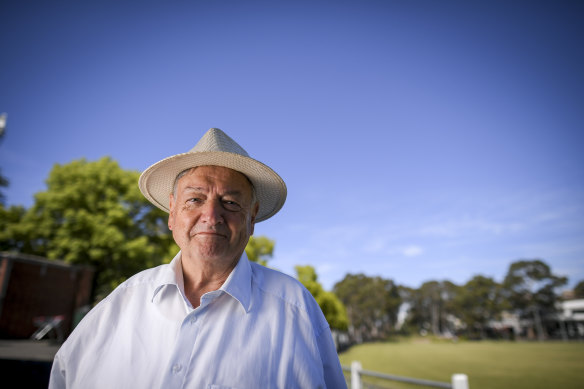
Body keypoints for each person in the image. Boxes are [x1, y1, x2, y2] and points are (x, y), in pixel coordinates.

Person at [49, 128, 347, 389]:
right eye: (195, 199)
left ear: (252, 218)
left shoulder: (295, 309)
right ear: (172, 213)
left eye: (230, 202)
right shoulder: (123, 301)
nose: (211, 216)